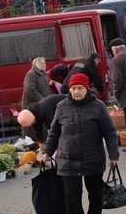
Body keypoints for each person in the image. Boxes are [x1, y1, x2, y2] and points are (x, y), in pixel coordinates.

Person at [43, 73, 119, 214]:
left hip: (93, 159)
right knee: (71, 198)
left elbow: (109, 132)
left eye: (80, 88)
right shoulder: (61, 106)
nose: (76, 92)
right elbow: (54, 132)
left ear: (86, 88)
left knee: (96, 196)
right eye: (73, 88)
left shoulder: (98, 106)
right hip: (68, 161)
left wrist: (113, 155)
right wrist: (47, 152)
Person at [21, 57, 51, 137]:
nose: (44, 65)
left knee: (41, 129)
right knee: (31, 130)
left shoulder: (44, 74)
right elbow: (30, 90)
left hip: (41, 106)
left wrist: (48, 100)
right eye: (42, 63)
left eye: (45, 63)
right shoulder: (31, 74)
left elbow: (47, 90)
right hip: (32, 106)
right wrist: (43, 101)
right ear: (37, 64)